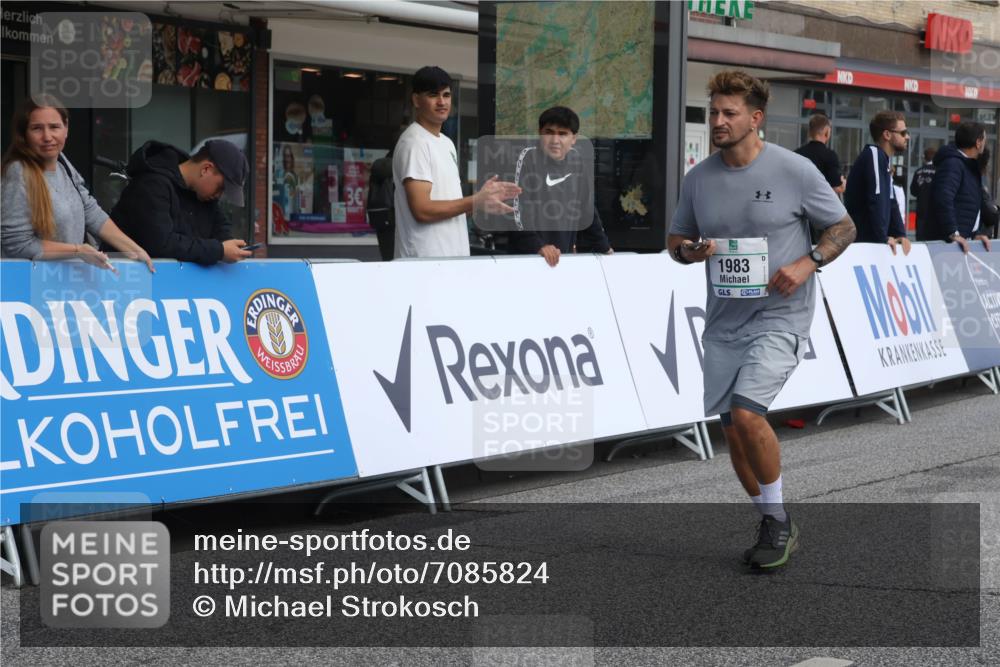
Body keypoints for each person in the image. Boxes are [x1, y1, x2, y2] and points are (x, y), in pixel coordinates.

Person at [667, 70, 856, 571]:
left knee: (749, 414)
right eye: (714, 113)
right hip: (724, 320)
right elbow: (676, 242)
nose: (718, 121)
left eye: (729, 113)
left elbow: (844, 225)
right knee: (732, 431)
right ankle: (775, 518)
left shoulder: (794, 170)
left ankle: (775, 522)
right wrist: (689, 251)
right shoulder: (699, 178)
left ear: (756, 119)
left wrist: (807, 262)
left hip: (781, 314)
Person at [1, 94, 153, 272]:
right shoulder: (17, 172)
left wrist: (134, 249)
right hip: (28, 288)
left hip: (65, 284)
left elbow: (91, 211)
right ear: (24, 135)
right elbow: (17, 245)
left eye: (54, 127)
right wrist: (77, 250)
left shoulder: (63, 164)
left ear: (66, 129)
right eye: (37, 128)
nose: (47, 136)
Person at [393, 66, 520, 258]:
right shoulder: (415, 143)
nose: (441, 102)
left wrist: (480, 203)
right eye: (433, 95)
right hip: (423, 262)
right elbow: (422, 210)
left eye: (446, 95)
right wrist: (475, 200)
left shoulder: (446, 143)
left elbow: (449, 205)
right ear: (416, 100)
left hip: (452, 258)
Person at [110, 139, 252, 265]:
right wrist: (219, 251)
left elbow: (221, 229)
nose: (219, 195)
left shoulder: (203, 196)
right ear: (206, 169)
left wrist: (231, 246)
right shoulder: (151, 185)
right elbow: (160, 244)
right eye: (221, 188)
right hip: (128, 282)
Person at [507, 106, 613, 267]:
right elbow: (514, 209)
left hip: (563, 262)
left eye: (563, 134)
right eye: (549, 132)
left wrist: (605, 248)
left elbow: (586, 210)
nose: (555, 140)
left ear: (574, 138)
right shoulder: (525, 158)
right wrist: (538, 246)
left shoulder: (576, 163)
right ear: (540, 132)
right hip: (527, 261)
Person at [844, 110, 911, 255]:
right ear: (887, 135)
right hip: (863, 244)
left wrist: (900, 234)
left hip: (871, 242)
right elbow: (877, 198)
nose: (908, 137)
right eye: (903, 132)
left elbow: (891, 202)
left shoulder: (883, 161)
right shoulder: (874, 155)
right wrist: (882, 237)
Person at [932, 121, 992, 252]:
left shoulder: (969, 166)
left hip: (964, 241)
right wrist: (953, 233)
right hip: (951, 246)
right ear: (978, 142)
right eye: (984, 140)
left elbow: (967, 203)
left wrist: (974, 234)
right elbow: (944, 198)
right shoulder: (953, 164)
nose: (985, 145)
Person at [794, 113, 845, 194]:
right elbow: (837, 187)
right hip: (820, 205)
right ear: (827, 132)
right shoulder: (830, 156)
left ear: (809, 132)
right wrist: (843, 184)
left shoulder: (796, 154)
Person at [367, 149, 395, 261]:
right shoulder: (399, 166)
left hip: (381, 218)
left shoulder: (380, 167)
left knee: (388, 258)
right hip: (395, 220)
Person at [910, 147, 937, 241]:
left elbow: (913, 191)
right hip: (934, 210)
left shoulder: (918, 172)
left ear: (924, 158)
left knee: (920, 239)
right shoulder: (939, 171)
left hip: (921, 209)